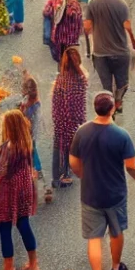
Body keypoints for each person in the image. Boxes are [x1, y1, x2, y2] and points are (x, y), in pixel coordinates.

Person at [69, 91, 135, 270]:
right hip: (115, 195)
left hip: (90, 194)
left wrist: (83, 175)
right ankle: (116, 269)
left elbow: (73, 161)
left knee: (94, 239)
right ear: (112, 109)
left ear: (95, 107)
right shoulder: (121, 136)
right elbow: (131, 166)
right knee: (116, 233)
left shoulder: (82, 132)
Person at [0, 109, 40, 270]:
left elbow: (0, 171)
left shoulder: (8, 147)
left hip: (9, 190)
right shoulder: (26, 143)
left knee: (4, 227)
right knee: (23, 223)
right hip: (25, 187)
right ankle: (33, 264)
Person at [84, 0, 135, 113]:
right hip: (120, 52)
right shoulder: (122, 4)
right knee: (122, 83)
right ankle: (118, 102)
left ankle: (109, 109)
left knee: (106, 86)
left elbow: (87, 27)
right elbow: (127, 27)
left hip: (100, 53)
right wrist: (133, 41)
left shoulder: (93, 2)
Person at [51, 46, 87, 188]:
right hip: (72, 120)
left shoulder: (60, 78)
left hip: (60, 117)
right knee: (71, 147)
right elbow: (79, 105)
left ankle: (58, 176)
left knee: (59, 145)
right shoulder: (80, 80)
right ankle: (64, 175)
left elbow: (55, 100)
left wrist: (56, 116)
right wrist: (81, 122)